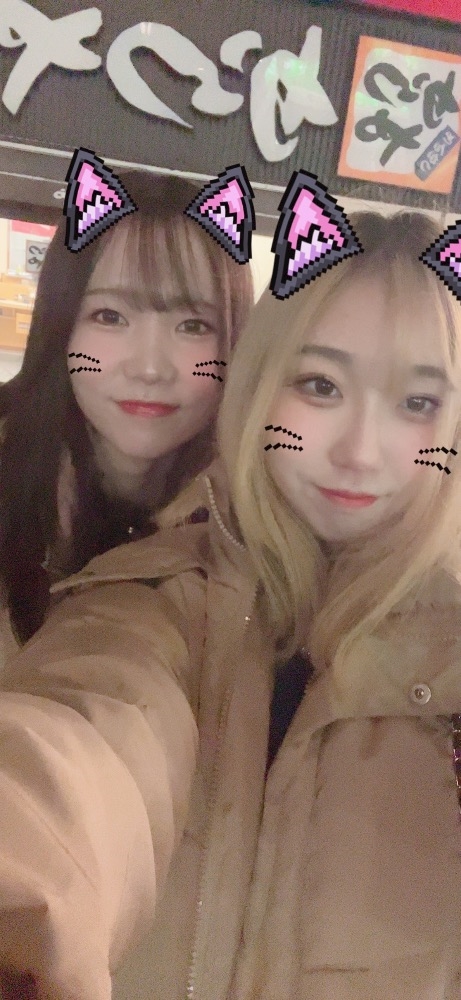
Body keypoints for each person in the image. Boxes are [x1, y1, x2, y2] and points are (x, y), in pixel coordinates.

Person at [1, 210, 461, 1000]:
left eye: (417, 403)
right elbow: (88, 729)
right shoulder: (152, 594)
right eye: (320, 385)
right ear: (259, 382)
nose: (359, 450)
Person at [0, 170, 253, 652]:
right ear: (61, 325)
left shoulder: (261, 526)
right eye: (110, 316)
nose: (149, 369)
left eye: (194, 326)